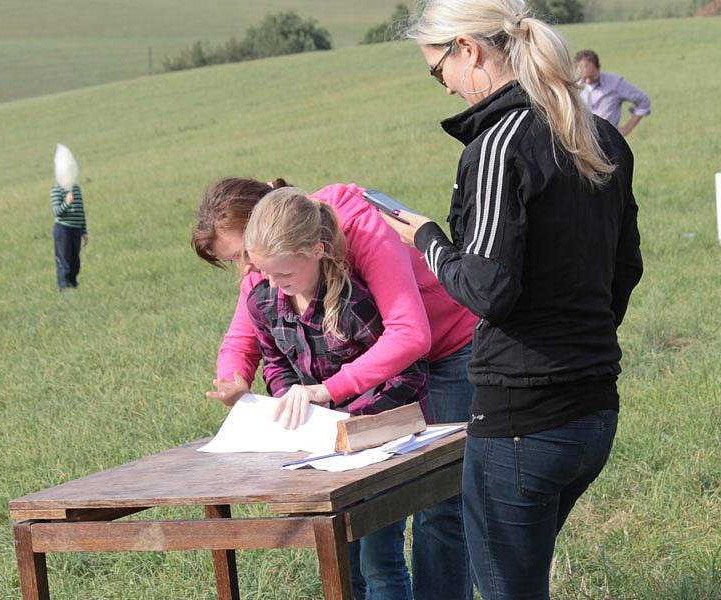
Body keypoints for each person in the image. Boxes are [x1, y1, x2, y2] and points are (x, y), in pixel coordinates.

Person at [380, 2, 643, 598]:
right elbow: (625, 267)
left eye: (436, 69)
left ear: (468, 50)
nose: (443, 85)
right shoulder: (598, 135)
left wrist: (426, 239)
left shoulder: (498, 147)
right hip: (594, 411)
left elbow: (487, 290)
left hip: (522, 423)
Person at [192, 177, 477, 599]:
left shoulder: (357, 231)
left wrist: (327, 391)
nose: (248, 273)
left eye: (243, 258)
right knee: (363, 531)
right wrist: (233, 374)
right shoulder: (276, 270)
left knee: (439, 504)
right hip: (375, 381)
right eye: (245, 262)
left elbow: (411, 336)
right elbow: (246, 335)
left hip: (446, 346)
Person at [244, 187, 429, 598]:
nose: (274, 285)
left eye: (285, 275)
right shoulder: (263, 301)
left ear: (318, 251)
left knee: (380, 560)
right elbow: (275, 363)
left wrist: (353, 418)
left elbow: (408, 372)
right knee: (339, 559)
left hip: (375, 445)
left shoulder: (352, 303)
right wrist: (293, 400)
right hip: (319, 452)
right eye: (264, 274)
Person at [574, 49, 651, 137]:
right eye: (584, 78)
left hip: (609, 142)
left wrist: (627, 128)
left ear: (598, 68)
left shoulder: (615, 83)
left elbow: (644, 101)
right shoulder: (574, 87)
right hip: (584, 141)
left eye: (591, 76)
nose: (587, 81)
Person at [50, 183, 88, 290]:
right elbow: (57, 212)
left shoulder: (76, 188)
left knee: (75, 260)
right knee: (64, 260)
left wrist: (84, 231)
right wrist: (67, 202)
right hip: (63, 230)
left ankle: (72, 283)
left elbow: (81, 211)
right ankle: (64, 286)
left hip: (76, 230)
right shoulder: (56, 189)